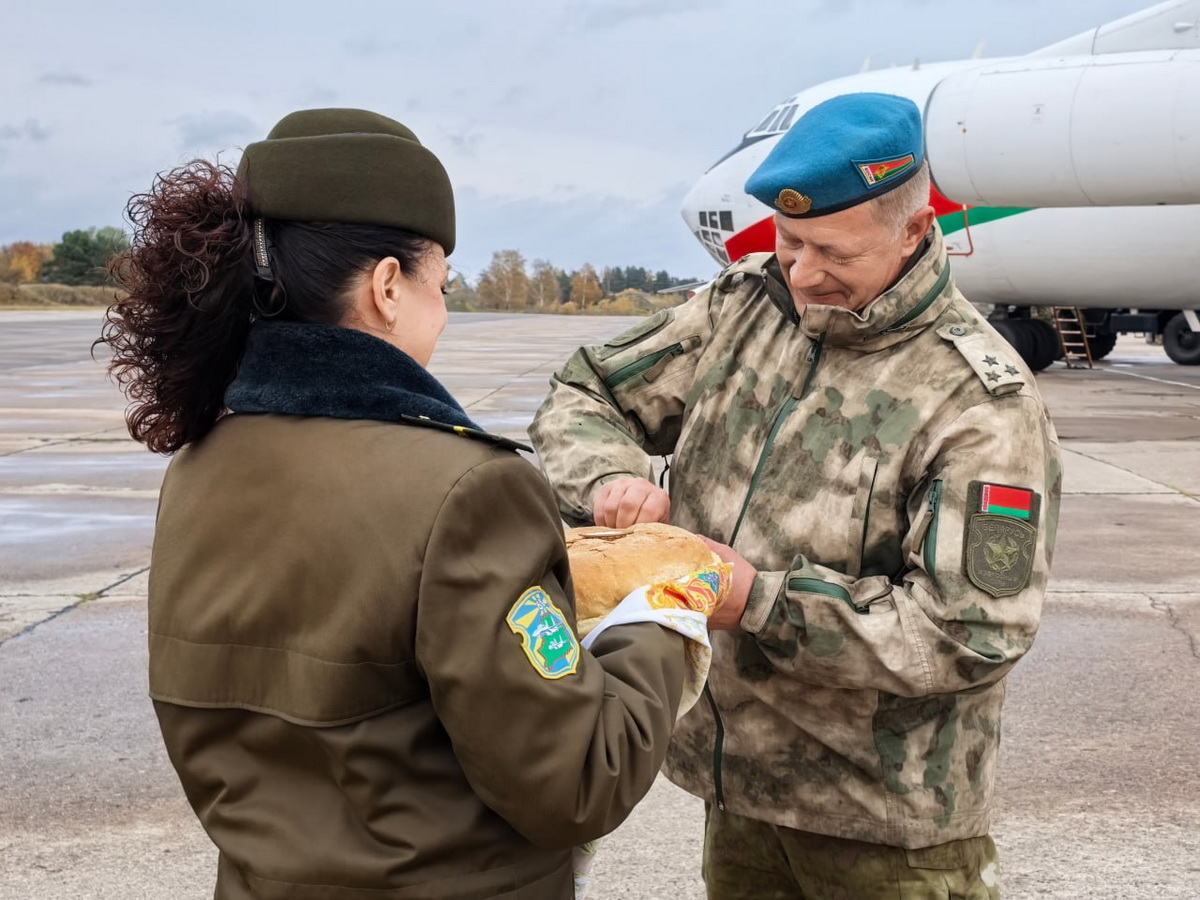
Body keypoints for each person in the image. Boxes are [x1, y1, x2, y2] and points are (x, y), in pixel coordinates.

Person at [100, 108, 715, 899]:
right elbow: (577, 779)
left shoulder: (199, 462)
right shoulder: (466, 490)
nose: (445, 314)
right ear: (388, 287)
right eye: (442, 286)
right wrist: (661, 613)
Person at [529, 92, 1062, 899]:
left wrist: (758, 602)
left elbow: (973, 632)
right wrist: (610, 477)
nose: (804, 273)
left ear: (915, 230)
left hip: (884, 828)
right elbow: (586, 390)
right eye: (789, 240)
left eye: (833, 252)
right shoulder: (744, 306)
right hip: (738, 790)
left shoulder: (979, 404)